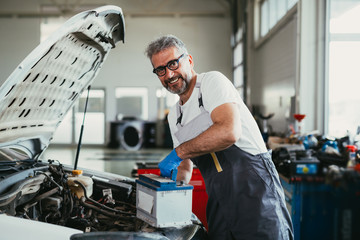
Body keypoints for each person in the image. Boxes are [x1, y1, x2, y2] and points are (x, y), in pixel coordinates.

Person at [145, 34, 293, 240]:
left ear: (189, 60)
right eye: (160, 70)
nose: (169, 74)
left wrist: (178, 152)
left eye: (173, 64)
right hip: (218, 200)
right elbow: (184, 168)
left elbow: (228, 132)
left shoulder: (211, 82)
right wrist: (164, 190)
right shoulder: (175, 116)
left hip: (255, 193)